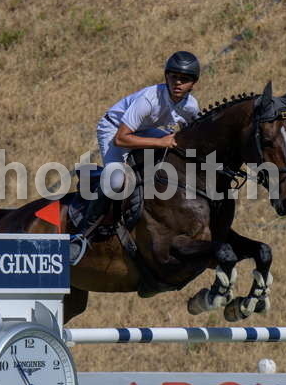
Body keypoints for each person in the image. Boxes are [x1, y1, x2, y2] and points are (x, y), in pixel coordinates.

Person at [69, 51, 201, 264]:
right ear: (166, 76)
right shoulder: (149, 100)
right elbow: (121, 139)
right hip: (114, 130)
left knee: (176, 150)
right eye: (173, 76)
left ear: (193, 83)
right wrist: (160, 142)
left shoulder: (191, 106)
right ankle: (82, 234)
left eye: (184, 79)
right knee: (116, 181)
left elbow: (191, 137)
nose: (177, 83)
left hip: (143, 130)